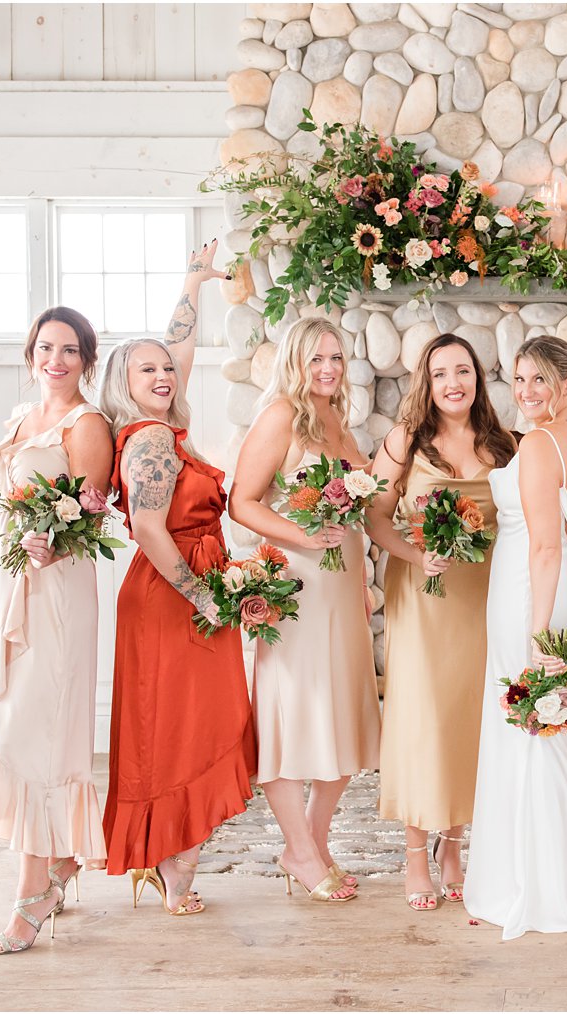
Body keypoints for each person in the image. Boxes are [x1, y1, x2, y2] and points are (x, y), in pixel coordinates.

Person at [99, 240, 257, 916]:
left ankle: (173, 862)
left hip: (187, 583)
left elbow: (179, 348)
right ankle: (174, 870)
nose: (164, 374)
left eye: (167, 367)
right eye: (147, 369)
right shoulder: (152, 442)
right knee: (184, 727)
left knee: (185, 723)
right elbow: (154, 531)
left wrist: (194, 283)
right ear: (123, 383)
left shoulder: (160, 422)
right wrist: (208, 597)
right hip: (175, 592)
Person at [0, 307, 113, 954]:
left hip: (53, 592)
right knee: (14, 724)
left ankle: (32, 894)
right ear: (31, 355)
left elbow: (90, 508)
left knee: (38, 733)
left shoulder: (88, 424)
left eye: (70, 350)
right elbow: (1, 506)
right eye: (46, 348)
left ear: (86, 360)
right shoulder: (23, 420)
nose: (56, 359)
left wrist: (50, 542)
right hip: (7, 586)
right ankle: (58, 862)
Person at [462, 335, 567, 939]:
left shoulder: (537, 445)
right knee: (544, 733)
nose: (524, 392)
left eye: (538, 381)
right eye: (518, 379)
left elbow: (547, 547)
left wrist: (536, 638)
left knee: (525, 731)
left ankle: (530, 883)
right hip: (566, 594)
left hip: (533, 598)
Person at [229, 318, 382, 903]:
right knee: (293, 715)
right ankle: (300, 846)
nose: (328, 368)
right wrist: (299, 534)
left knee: (342, 711)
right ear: (294, 360)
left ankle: (309, 845)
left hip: (342, 587)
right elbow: (241, 502)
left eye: (337, 358)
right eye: (317, 358)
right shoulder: (279, 419)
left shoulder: (338, 420)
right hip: (298, 584)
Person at [365, 332, 516, 911]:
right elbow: (374, 517)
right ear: (426, 385)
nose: (453, 383)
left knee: (467, 716)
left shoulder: (502, 444)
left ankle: (454, 848)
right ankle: (412, 854)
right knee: (422, 715)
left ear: (478, 379)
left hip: (483, 594)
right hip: (425, 593)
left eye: (463, 371)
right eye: (440, 374)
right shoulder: (408, 440)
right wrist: (412, 556)